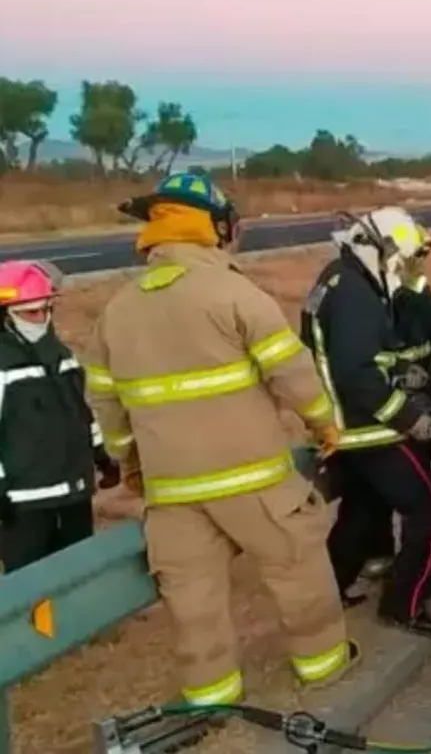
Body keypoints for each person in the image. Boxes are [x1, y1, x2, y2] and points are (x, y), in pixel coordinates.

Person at [82, 171, 357, 707]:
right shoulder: (233, 292)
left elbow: (105, 402)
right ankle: (323, 668)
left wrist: (129, 462)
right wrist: (323, 424)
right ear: (211, 226)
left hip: (173, 493)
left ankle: (211, 699)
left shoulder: (117, 310)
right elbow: (292, 370)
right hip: (253, 482)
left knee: (194, 604)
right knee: (298, 570)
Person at [300, 207, 431, 634]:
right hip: (370, 430)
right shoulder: (355, 294)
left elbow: (352, 360)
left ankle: (330, 592)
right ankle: (406, 603)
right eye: (399, 261)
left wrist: (403, 375)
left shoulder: (335, 279)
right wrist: (411, 420)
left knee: (362, 511)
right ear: (381, 251)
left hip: (344, 430)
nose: (400, 270)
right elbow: (357, 375)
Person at [356, 232, 431, 582]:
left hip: (405, 406)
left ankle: (385, 559)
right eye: (414, 256)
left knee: (405, 491)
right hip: (374, 412)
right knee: (375, 492)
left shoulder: (412, 292)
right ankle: (379, 557)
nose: (419, 264)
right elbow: (357, 368)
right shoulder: (362, 297)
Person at [0, 260, 120, 572]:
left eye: (46, 310)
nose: (40, 319)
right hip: (22, 503)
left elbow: (82, 411)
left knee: (74, 579)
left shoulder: (62, 355)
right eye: (29, 312)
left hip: (74, 493)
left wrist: (101, 457)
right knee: (30, 587)